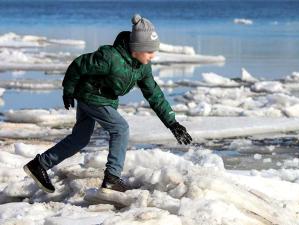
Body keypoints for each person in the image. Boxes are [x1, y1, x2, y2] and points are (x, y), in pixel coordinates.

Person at [23, 14, 192, 193]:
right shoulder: (109, 57)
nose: (153, 56)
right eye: (150, 51)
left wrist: (172, 123)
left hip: (104, 99)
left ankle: (39, 165)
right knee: (120, 129)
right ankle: (112, 178)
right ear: (137, 48)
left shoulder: (142, 67)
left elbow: (154, 94)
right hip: (91, 96)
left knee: (80, 139)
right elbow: (79, 64)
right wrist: (68, 90)